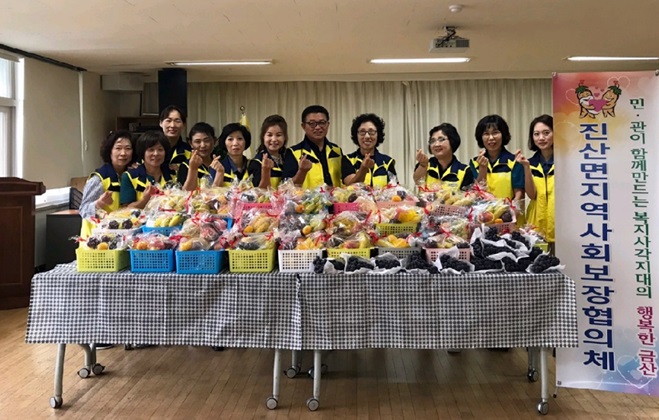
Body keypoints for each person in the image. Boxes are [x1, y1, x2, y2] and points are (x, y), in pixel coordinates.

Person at [282, 105, 356, 189]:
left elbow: (347, 181)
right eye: (312, 123)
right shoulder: (293, 152)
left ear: (328, 124)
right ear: (303, 126)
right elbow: (286, 187)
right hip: (306, 197)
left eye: (322, 123)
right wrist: (302, 171)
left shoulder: (336, 151)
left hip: (335, 197)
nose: (317, 127)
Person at [79, 130, 136, 239]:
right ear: (110, 151)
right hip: (96, 240)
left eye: (128, 148)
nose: (123, 153)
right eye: (118, 148)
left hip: (121, 239)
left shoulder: (131, 176)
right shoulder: (99, 179)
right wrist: (99, 203)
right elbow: (83, 210)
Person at [515, 114, 555, 248]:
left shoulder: (566, 162)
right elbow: (532, 195)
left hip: (561, 225)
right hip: (536, 226)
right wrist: (526, 167)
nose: (541, 138)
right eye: (536, 134)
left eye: (546, 133)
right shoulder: (530, 163)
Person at [469, 114, 524, 202]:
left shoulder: (515, 161)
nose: (491, 138)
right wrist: (482, 169)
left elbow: (519, 194)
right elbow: (476, 193)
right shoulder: (474, 162)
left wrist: (508, 208)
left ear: (503, 135)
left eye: (495, 133)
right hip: (482, 210)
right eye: (486, 134)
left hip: (508, 209)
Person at [120, 130, 176, 208]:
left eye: (160, 150)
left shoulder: (173, 174)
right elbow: (126, 209)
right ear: (143, 152)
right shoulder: (129, 176)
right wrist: (145, 199)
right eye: (151, 150)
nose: (156, 154)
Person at [413, 123, 474, 191]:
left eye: (441, 139)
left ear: (452, 141)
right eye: (432, 141)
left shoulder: (465, 171)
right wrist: (423, 165)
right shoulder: (425, 165)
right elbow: (417, 182)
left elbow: (467, 196)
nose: (436, 144)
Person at [346, 113, 396, 187]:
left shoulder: (387, 162)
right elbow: (350, 187)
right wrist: (363, 168)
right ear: (356, 135)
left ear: (378, 134)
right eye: (362, 132)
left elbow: (394, 189)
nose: (367, 136)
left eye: (371, 132)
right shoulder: (348, 160)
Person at [177, 122, 225, 191]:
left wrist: (220, 172)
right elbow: (185, 193)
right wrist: (193, 169)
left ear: (214, 141)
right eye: (197, 141)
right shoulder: (185, 166)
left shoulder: (221, 165)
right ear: (191, 143)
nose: (203, 145)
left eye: (207, 140)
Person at [247, 115, 290, 189]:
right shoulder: (257, 162)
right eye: (269, 135)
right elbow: (259, 191)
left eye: (278, 135)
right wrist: (266, 171)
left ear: (284, 137)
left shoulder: (288, 158)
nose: (274, 139)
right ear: (263, 137)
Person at [216, 122, 251, 186]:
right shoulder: (217, 166)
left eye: (240, 139)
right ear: (224, 143)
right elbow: (212, 191)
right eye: (230, 139)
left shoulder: (253, 165)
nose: (235, 143)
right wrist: (220, 173)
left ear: (246, 142)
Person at [159, 105, 191, 171]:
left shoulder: (189, 150)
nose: (172, 125)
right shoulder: (151, 148)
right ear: (161, 123)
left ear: (184, 124)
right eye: (168, 120)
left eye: (177, 121)